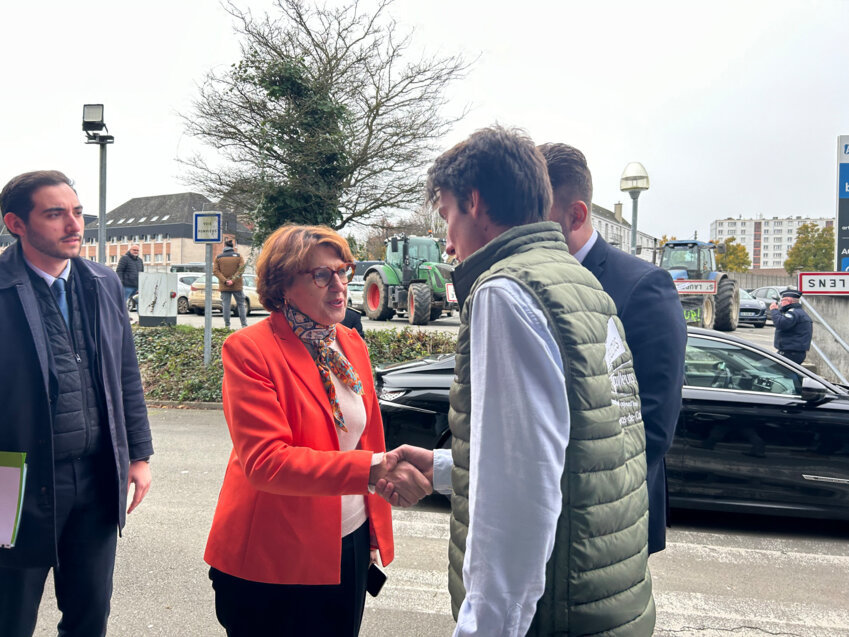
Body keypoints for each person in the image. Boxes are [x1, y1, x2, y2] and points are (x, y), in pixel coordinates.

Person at [381, 127, 654, 635]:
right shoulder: (576, 280)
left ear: (475, 202)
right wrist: (446, 468)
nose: (447, 242)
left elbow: (519, 501)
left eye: (446, 214)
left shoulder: (505, 291)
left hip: (551, 616)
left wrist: (484, 629)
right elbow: (573, 453)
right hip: (602, 602)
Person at [204, 224, 430, 637]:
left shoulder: (349, 342)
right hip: (273, 557)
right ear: (283, 285)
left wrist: (374, 522)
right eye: (322, 275)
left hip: (349, 543)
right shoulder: (250, 350)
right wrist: (373, 469)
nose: (339, 285)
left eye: (343, 271)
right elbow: (267, 463)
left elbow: (366, 439)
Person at [0, 170, 153, 637]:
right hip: (10, 479)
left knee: (90, 614)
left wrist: (139, 455)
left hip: (97, 474)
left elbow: (125, 372)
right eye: (55, 214)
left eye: (78, 212)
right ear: (16, 224)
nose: (74, 225)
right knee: (10, 614)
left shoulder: (102, 281)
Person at [538, 142, 687, 555]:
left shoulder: (643, 287)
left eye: (537, 218)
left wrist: (573, 494)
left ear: (576, 215)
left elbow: (653, 424)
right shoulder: (530, 282)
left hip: (612, 521)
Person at [769, 288, 812, 364]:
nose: (781, 303)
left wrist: (774, 310)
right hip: (792, 352)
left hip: (791, 353)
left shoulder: (793, 313)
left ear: (789, 301)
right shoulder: (798, 312)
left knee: (768, 368)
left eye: (783, 300)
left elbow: (781, 324)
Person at [213, 238, 248, 329]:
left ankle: (227, 325)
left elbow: (215, 271)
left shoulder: (218, 257)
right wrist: (233, 280)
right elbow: (241, 269)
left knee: (226, 305)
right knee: (241, 304)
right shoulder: (239, 256)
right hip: (237, 285)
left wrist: (225, 281)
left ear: (224, 246)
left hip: (224, 286)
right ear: (233, 247)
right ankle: (244, 325)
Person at [116, 243, 144, 307]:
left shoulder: (140, 260)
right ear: (130, 250)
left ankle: (139, 314)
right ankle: (121, 314)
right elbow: (119, 271)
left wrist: (141, 285)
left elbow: (142, 273)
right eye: (134, 250)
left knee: (139, 303)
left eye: (137, 250)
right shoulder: (124, 258)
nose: (136, 251)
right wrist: (120, 283)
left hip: (137, 287)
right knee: (122, 303)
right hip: (127, 286)